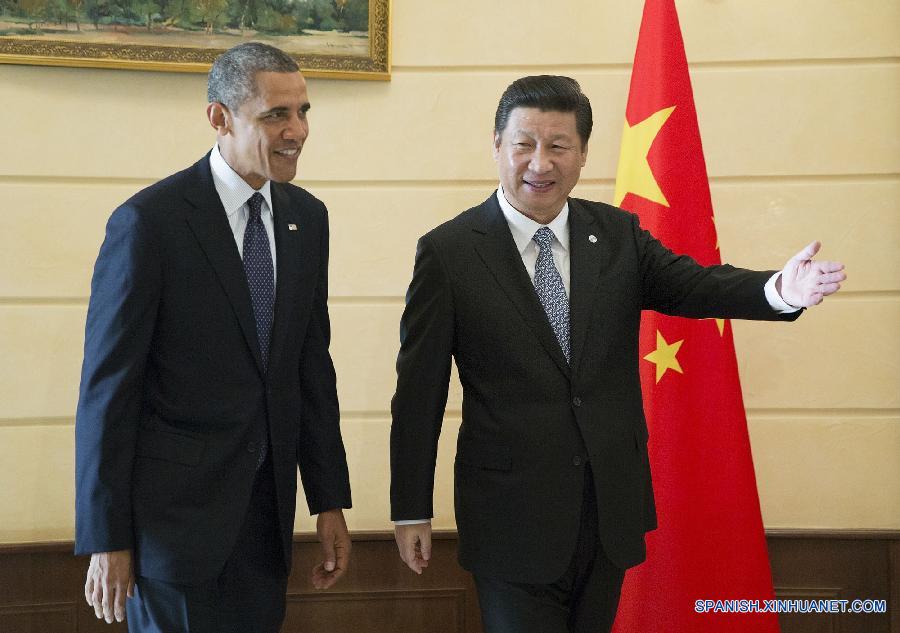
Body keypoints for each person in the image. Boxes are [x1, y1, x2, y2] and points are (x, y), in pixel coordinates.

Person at [389, 75, 845, 633]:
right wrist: (410, 507)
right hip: (510, 519)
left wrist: (778, 290)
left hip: (608, 511)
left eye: (559, 146)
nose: (540, 163)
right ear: (497, 145)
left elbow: (695, 285)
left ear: (583, 154)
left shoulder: (617, 235)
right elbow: (419, 394)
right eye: (524, 144)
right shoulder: (449, 252)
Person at [74, 42, 352, 632]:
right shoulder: (149, 222)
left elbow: (310, 369)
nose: (297, 131)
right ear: (219, 118)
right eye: (276, 115)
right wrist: (107, 537)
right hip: (171, 531)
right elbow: (108, 391)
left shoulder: (308, 219)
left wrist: (328, 500)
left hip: (266, 525)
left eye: (303, 112)